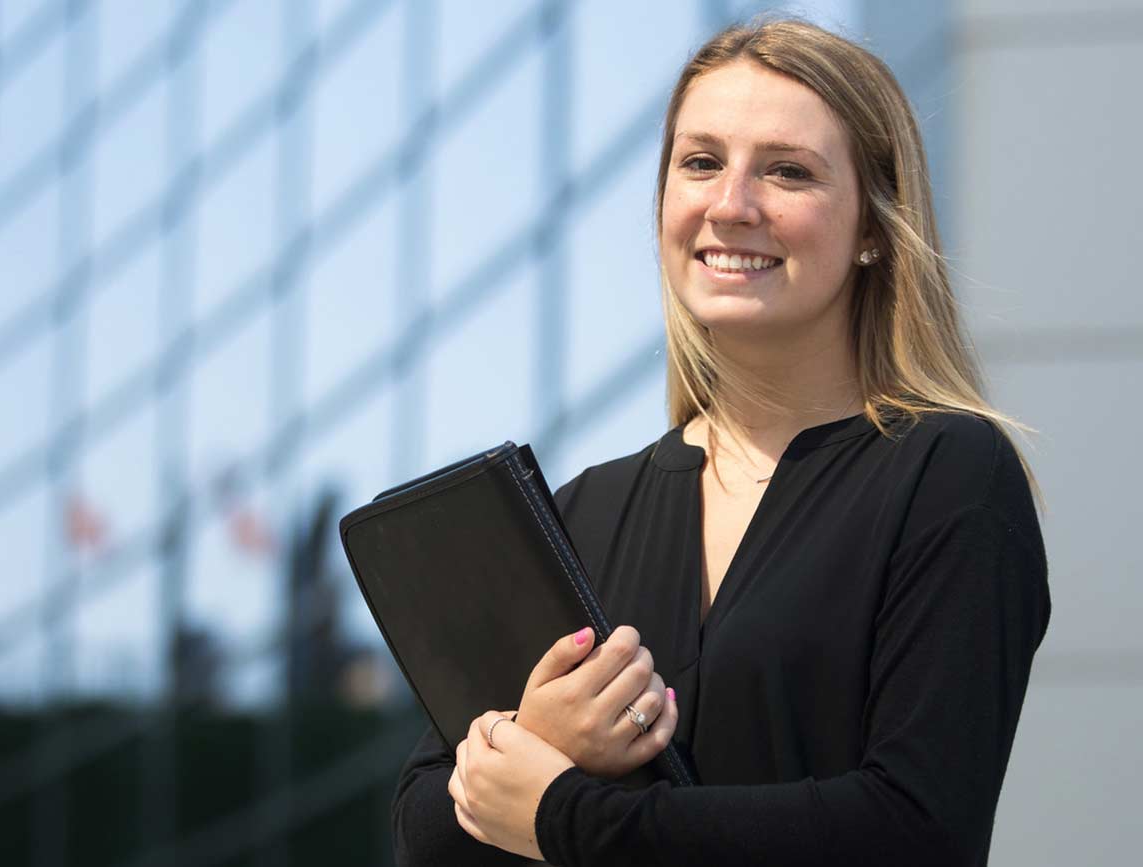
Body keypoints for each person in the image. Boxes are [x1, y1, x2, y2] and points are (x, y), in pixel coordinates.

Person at [390, 15, 1052, 867]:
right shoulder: (577, 513)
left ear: (873, 230)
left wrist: (563, 812)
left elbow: (914, 830)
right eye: (700, 162)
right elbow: (420, 832)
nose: (731, 205)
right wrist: (540, 735)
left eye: (787, 171)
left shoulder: (948, 475)